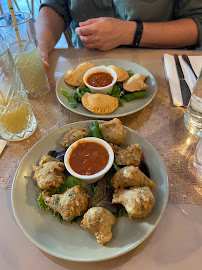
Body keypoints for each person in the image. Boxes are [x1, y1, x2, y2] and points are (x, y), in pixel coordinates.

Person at [36, 0, 202, 69]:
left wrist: (130, 33)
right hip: (85, 67)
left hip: (162, 71)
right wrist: (42, 43)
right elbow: (55, 6)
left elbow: (198, 22)